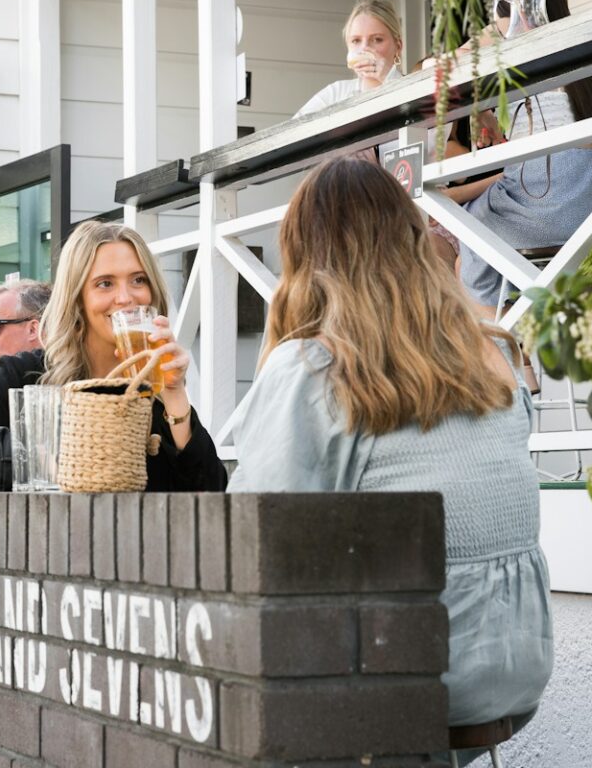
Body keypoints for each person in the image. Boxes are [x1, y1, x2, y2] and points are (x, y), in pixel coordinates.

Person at [226, 158, 552, 741]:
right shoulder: (493, 355)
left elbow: (254, 539)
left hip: (414, 676)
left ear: (304, 254)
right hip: (517, 661)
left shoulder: (314, 366)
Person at [0, 222, 226, 493]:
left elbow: (210, 491)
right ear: (77, 298)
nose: (126, 297)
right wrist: (29, 454)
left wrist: (174, 392)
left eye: (138, 280)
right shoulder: (27, 375)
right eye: (105, 284)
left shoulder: (152, 390)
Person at [459, 0, 592, 310]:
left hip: (546, 200)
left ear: (511, 4)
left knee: (468, 229)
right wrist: (483, 110)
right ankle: (525, 337)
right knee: (487, 237)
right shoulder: (580, 56)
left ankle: (506, 357)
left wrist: (495, 28)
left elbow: (453, 66)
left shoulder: (512, 48)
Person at [295, 0, 404, 117]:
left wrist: (388, 77)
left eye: (377, 39)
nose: (364, 48)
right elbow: (292, 129)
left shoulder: (414, 87)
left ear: (398, 47)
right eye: (356, 41)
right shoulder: (336, 92)